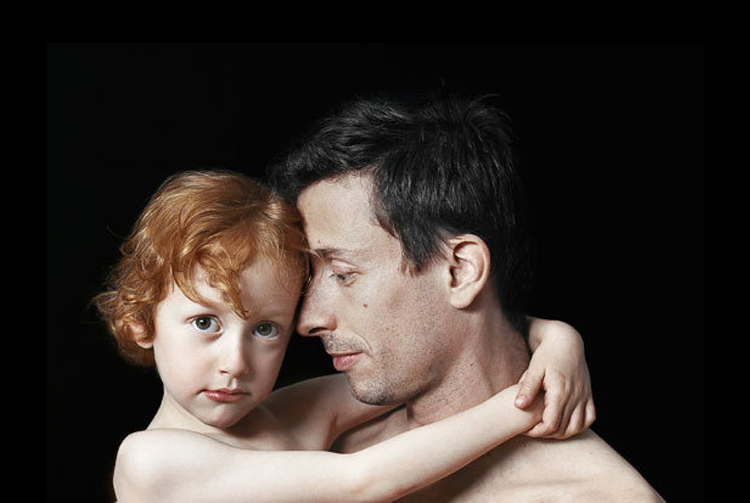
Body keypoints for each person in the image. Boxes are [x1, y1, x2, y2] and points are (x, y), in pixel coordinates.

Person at [94, 169, 595, 502]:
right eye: (205, 323)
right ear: (141, 321)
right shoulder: (150, 461)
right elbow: (364, 481)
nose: (236, 362)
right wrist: (527, 404)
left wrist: (556, 338)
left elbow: (427, 361)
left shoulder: (291, 414)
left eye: (265, 329)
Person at [270, 92, 664, 501]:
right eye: (312, 276)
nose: (307, 320)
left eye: (342, 274)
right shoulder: (315, 451)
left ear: (461, 271)